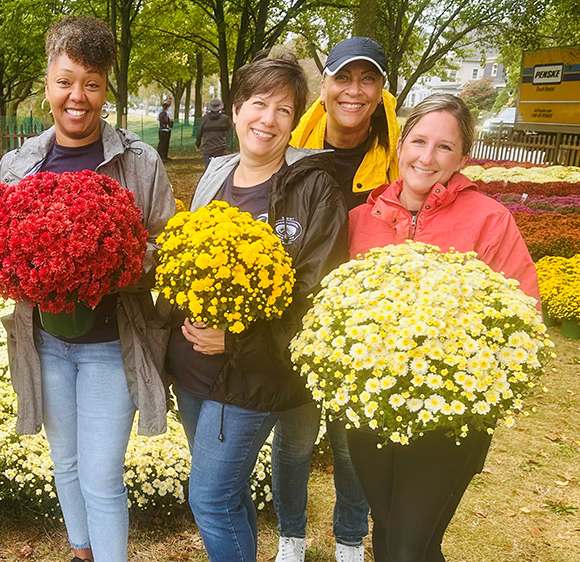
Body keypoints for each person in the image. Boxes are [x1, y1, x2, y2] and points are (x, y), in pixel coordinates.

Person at [0, 15, 175, 562]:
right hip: (46, 344)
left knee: (101, 478)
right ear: (49, 82)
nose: (78, 96)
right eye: (66, 80)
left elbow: (168, 250)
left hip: (110, 350)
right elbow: (3, 250)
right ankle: (82, 552)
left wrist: (112, 259)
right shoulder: (18, 164)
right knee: (66, 464)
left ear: (105, 88)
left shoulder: (139, 162)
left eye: (92, 83)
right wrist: (33, 268)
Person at [167, 52, 348, 562]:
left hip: (254, 374)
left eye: (284, 111)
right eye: (258, 103)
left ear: (296, 122)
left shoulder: (314, 188)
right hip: (194, 370)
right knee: (230, 494)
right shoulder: (214, 179)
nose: (267, 119)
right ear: (237, 107)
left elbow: (316, 297)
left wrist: (238, 338)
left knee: (208, 498)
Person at [345, 93, 540, 562]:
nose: (426, 157)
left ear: (463, 157)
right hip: (371, 412)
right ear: (400, 146)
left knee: (407, 547)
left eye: (444, 148)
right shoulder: (358, 219)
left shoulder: (489, 220)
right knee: (391, 533)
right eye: (418, 141)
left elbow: (524, 314)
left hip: (450, 417)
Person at [273, 36, 401, 562]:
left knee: (354, 443)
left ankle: (350, 538)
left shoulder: (396, 158)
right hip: (298, 319)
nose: (354, 90)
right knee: (296, 438)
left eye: (367, 79)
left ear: (380, 91)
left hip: (365, 326)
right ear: (323, 85)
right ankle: (291, 537)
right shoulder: (293, 151)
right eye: (343, 77)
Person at [195, 98, 230, 168]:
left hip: (207, 148)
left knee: (208, 170)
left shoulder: (204, 119)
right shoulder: (225, 119)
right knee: (219, 170)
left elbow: (199, 132)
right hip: (220, 149)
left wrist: (197, 144)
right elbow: (228, 130)